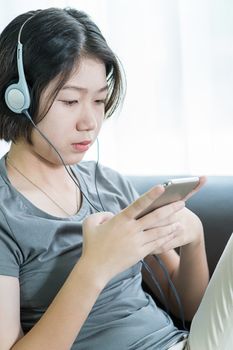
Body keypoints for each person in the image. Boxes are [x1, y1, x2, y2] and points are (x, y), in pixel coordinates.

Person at [0, 7, 232, 350]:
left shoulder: (107, 183)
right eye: (70, 101)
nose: (89, 121)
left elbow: (190, 304)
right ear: (17, 99)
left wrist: (194, 237)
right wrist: (94, 267)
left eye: (99, 101)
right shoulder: (6, 214)